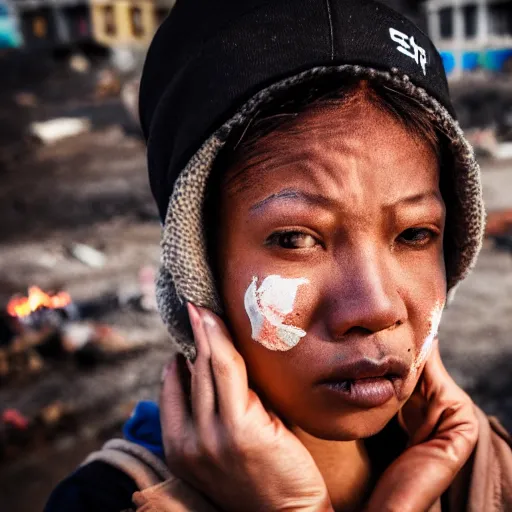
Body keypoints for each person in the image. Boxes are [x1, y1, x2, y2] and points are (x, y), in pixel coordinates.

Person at [45, 0, 512, 511]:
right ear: (196, 268)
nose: (378, 309)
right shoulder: (104, 501)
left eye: (415, 234)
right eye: (296, 238)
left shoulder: (489, 475)